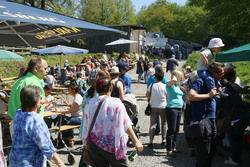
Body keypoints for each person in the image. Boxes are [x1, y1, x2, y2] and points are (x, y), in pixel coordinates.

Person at [82, 78, 143, 167]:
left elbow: (86, 124)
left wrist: (85, 143)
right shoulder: (116, 102)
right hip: (111, 144)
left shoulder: (90, 102)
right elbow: (125, 124)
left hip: (94, 142)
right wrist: (136, 141)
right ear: (110, 88)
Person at [9, 85, 65, 167]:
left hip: (15, 160)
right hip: (30, 163)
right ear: (37, 102)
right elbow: (47, 146)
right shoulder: (36, 121)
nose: (42, 101)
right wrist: (60, 163)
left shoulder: (18, 113)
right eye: (41, 98)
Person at [188, 62, 225, 167]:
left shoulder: (213, 81)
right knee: (203, 153)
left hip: (211, 119)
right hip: (203, 120)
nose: (223, 75)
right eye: (221, 73)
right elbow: (191, 96)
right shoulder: (200, 81)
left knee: (211, 151)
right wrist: (209, 95)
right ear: (215, 74)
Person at [8, 58, 49, 136]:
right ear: (36, 68)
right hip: (30, 124)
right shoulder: (34, 83)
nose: (47, 71)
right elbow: (35, 106)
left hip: (15, 122)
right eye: (45, 68)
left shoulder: (19, 81)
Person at [217, 71, 249, 165]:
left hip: (235, 119)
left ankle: (235, 160)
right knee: (238, 139)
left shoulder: (225, 91)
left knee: (234, 139)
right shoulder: (234, 89)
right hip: (243, 116)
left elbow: (218, 105)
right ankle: (237, 157)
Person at [55, 80, 83, 147]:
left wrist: (59, 111)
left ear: (73, 90)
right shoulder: (77, 97)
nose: (68, 91)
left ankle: (67, 139)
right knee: (62, 120)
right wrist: (67, 104)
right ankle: (67, 138)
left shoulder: (77, 99)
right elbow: (74, 108)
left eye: (69, 89)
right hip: (76, 117)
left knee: (62, 120)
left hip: (78, 119)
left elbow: (70, 111)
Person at [146, 70, 168, 147]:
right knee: (164, 123)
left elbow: (147, 95)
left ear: (155, 78)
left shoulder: (151, 85)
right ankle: (164, 139)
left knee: (153, 124)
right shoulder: (165, 86)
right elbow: (167, 97)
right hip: (163, 106)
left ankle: (151, 141)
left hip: (153, 106)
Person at [165, 70, 184, 157]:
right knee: (171, 129)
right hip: (172, 108)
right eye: (180, 76)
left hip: (179, 108)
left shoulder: (177, 85)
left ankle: (174, 147)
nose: (181, 78)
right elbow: (172, 82)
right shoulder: (169, 84)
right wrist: (174, 77)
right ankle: (169, 149)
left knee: (176, 129)